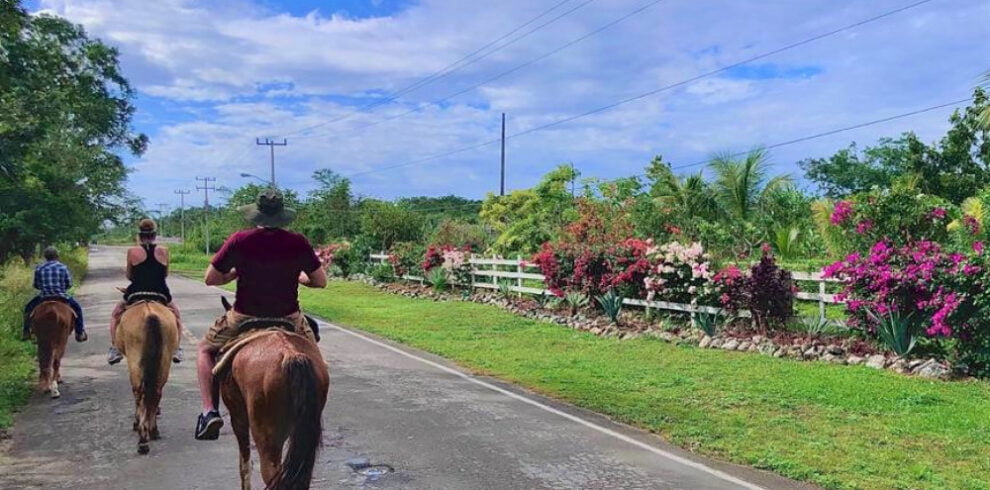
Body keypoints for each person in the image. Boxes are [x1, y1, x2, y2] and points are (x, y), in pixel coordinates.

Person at [194, 189, 327, 441]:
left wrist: (233, 274)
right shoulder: (298, 242)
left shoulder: (239, 240)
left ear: (256, 214)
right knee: (316, 359)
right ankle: (313, 408)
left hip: (244, 317)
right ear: (282, 216)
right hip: (289, 318)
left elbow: (210, 278)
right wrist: (300, 277)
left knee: (204, 350)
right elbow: (320, 281)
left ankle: (209, 411)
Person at [106, 219, 185, 365]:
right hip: (160, 292)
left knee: (115, 315)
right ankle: (176, 348)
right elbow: (165, 274)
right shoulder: (164, 251)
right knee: (177, 317)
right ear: (154, 235)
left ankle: (115, 348)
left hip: (136, 292)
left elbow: (130, 276)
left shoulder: (132, 251)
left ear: (140, 235)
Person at [22, 246, 87, 342]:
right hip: (61, 297)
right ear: (57, 256)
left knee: (28, 308)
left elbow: (36, 285)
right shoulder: (63, 267)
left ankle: (26, 331)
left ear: (45, 257)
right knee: (77, 309)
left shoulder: (39, 268)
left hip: (44, 297)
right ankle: (79, 332)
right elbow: (69, 284)